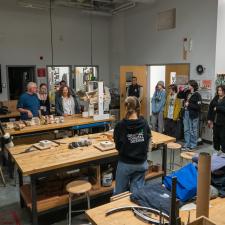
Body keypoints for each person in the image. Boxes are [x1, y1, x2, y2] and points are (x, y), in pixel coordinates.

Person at [113, 96, 151, 195]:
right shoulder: (144, 123)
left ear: (126, 108)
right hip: (141, 163)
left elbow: (117, 146)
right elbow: (149, 140)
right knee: (137, 195)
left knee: (119, 194)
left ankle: (120, 208)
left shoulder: (120, 125)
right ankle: (136, 208)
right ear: (138, 107)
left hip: (126, 163)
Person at [177, 80, 202, 151]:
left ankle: (193, 145)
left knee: (193, 130)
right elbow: (179, 96)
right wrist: (181, 90)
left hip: (193, 115)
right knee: (186, 130)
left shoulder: (197, 95)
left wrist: (189, 104)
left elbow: (198, 107)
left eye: (189, 85)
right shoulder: (187, 92)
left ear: (192, 86)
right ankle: (187, 144)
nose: (187, 86)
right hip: (186, 113)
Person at [207, 85, 225, 153]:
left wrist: (218, 108)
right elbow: (210, 108)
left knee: (223, 138)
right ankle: (216, 150)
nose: (219, 92)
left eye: (220, 90)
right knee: (215, 137)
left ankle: (223, 153)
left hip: (223, 123)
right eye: (218, 90)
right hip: (215, 121)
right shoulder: (216, 97)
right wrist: (209, 119)